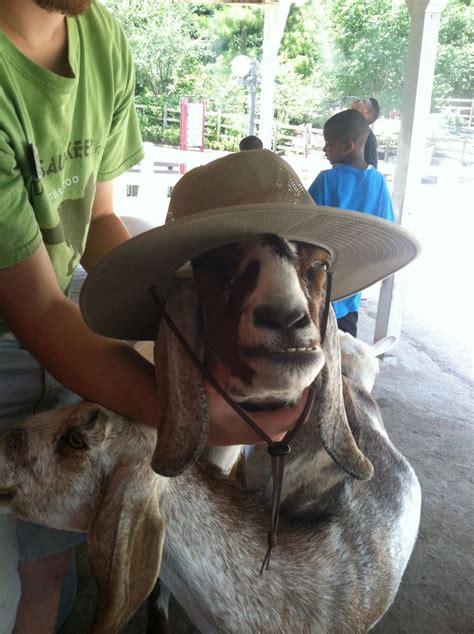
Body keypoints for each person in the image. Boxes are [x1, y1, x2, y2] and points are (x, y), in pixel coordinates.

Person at [0, 2, 309, 632]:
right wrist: (188, 413)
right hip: (20, 330)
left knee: (45, 563)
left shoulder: (100, 36)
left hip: (60, 313)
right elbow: (34, 311)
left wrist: (182, 312)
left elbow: (98, 220)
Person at [308, 109, 395, 338]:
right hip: (350, 292)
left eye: (328, 145)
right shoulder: (378, 183)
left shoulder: (326, 180)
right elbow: (387, 234)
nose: (325, 150)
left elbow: (302, 228)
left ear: (349, 146)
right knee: (343, 357)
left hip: (316, 287)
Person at [352, 97, 380, 168]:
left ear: (366, 114)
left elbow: (372, 168)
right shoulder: (348, 130)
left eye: (363, 101)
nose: (358, 100)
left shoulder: (368, 137)